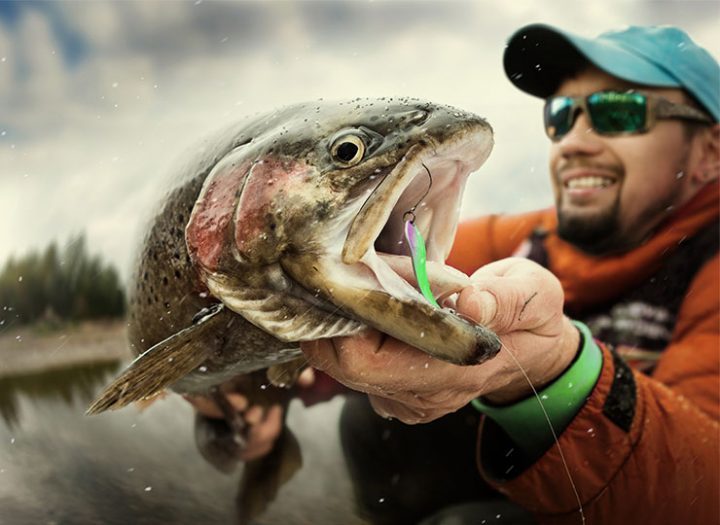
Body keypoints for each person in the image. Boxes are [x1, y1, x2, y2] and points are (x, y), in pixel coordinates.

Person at [190, 24, 720, 524]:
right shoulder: (525, 236)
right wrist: (255, 387)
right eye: (561, 115)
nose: (573, 141)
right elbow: (341, 280)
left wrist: (558, 369)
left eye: (617, 112)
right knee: (374, 424)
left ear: (710, 151)